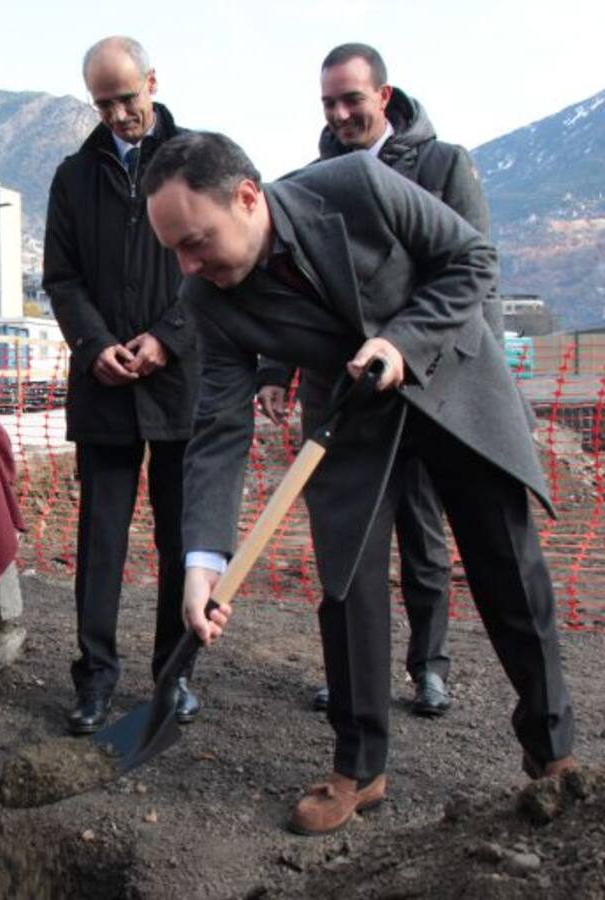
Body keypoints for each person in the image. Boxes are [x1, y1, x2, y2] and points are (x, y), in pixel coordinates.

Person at [143, 131, 575, 835]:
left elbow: (472, 260)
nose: (188, 265)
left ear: (246, 199)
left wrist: (402, 340)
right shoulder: (206, 296)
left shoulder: (355, 186)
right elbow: (218, 426)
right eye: (175, 251)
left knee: (508, 569)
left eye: (196, 242)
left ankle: (553, 751)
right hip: (348, 417)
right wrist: (202, 562)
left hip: (450, 379)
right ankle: (360, 766)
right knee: (345, 586)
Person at [257, 42, 501, 718]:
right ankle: (351, 672)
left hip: (425, 387)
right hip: (344, 391)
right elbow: (294, 287)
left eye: (352, 100)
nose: (339, 114)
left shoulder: (443, 165)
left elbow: (475, 274)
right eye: (328, 103)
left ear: (384, 97)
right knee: (348, 538)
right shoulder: (311, 181)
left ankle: (429, 667)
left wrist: (480, 386)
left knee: (423, 533)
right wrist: (275, 370)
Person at [43, 36, 200, 735]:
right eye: (102, 103)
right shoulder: (74, 178)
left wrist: (168, 336)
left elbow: (216, 265)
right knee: (101, 540)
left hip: (179, 385)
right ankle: (96, 677)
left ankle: (174, 675)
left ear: (153, 83)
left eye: (126, 99)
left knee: (179, 540)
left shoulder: (198, 162)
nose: (116, 115)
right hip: (102, 385)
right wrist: (94, 345)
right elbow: (62, 278)